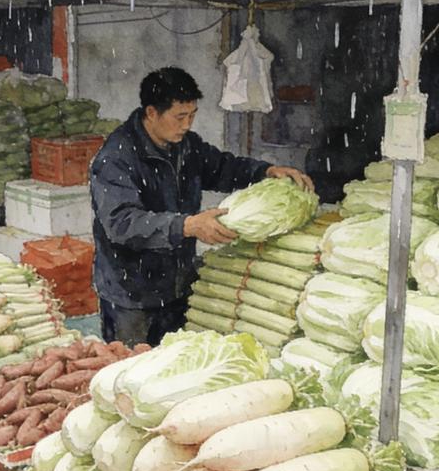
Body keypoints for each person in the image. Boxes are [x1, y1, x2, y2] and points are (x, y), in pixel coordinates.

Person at [90, 67, 313, 346]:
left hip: (177, 286)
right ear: (151, 113)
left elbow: (223, 167)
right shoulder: (116, 157)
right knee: (131, 365)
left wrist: (265, 171)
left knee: (176, 361)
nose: (187, 125)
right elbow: (122, 223)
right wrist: (186, 226)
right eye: (180, 117)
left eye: (192, 115)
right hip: (131, 295)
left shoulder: (186, 146)